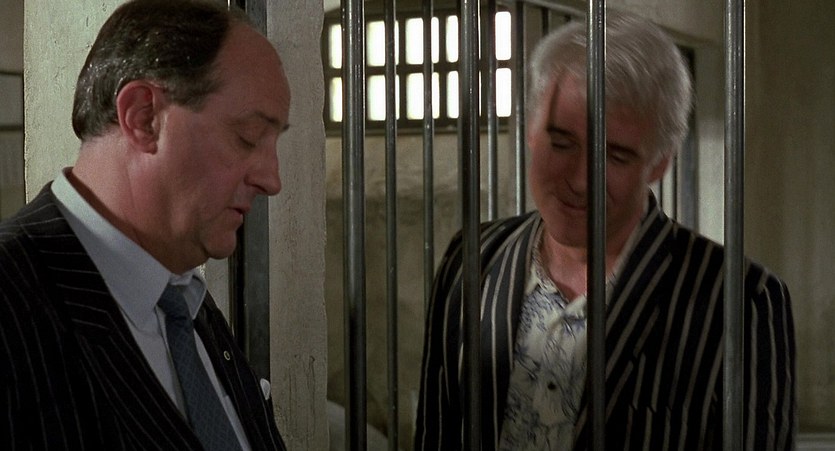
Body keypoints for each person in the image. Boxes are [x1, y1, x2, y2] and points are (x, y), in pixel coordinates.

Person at [414, 11, 795, 451]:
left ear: (660, 162)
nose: (580, 179)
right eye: (562, 143)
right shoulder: (474, 258)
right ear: (529, 130)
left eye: (614, 156)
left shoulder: (740, 301)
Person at [0, 0, 291, 449]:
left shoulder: (183, 302)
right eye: (247, 137)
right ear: (143, 118)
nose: (272, 180)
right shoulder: (11, 301)